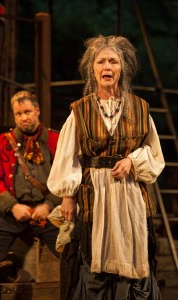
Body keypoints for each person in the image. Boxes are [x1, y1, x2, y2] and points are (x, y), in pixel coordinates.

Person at [47, 35, 165, 300]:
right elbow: (68, 155)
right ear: (93, 68)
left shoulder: (139, 108)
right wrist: (67, 194)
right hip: (95, 197)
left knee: (134, 264)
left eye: (113, 61)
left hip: (130, 196)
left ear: (122, 68)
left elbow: (155, 154)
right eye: (101, 61)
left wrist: (132, 161)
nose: (107, 67)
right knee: (94, 264)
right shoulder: (81, 111)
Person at [0, 90, 61, 283]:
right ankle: (9, 277)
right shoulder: (0, 144)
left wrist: (49, 205)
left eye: (27, 112)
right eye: (18, 114)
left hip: (49, 214)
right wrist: (13, 206)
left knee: (74, 253)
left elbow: (66, 178)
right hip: (11, 213)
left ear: (37, 110)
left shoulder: (56, 140)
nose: (23, 117)